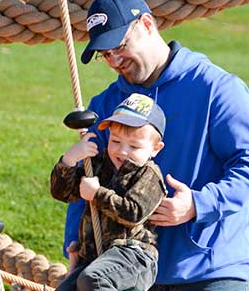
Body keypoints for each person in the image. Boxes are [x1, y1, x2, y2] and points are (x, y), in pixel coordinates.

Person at [62, 0, 249, 290]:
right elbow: (86, 178)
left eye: (119, 46)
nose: (114, 60)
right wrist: (74, 242)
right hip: (122, 269)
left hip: (207, 269)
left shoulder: (216, 88)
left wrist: (198, 205)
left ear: (147, 24)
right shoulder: (105, 103)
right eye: (105, 54)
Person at [51, 93, 168, 291]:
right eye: (115, 141)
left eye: (133, 146)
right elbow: (63, 193)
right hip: (97, 257)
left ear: (155, 148)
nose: (122, 151)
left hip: (134, 257)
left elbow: (133, 213)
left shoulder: (149, 176)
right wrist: (69, 160)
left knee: (93, 280)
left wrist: (97, 194)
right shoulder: (99, 164)